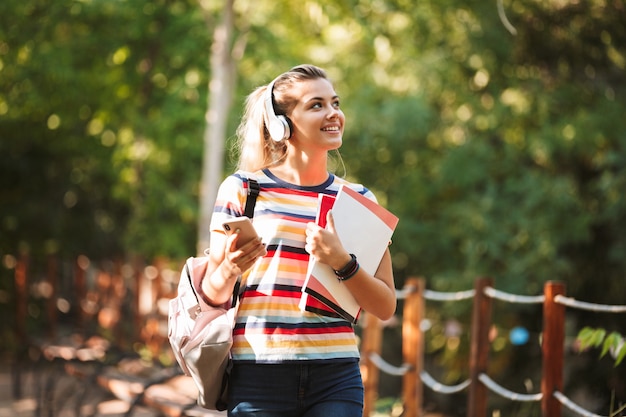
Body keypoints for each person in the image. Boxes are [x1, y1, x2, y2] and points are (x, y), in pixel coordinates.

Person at [200, 64, 396, 417]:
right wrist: (230, 269)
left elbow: (385, 306)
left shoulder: (360, 199)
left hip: (336, 376)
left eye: (335, 103)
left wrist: (343, 263)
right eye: (316, 105)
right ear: (282, 125)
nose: (333, 113)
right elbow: (212, 294)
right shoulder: (243, 190)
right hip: (259, 374)